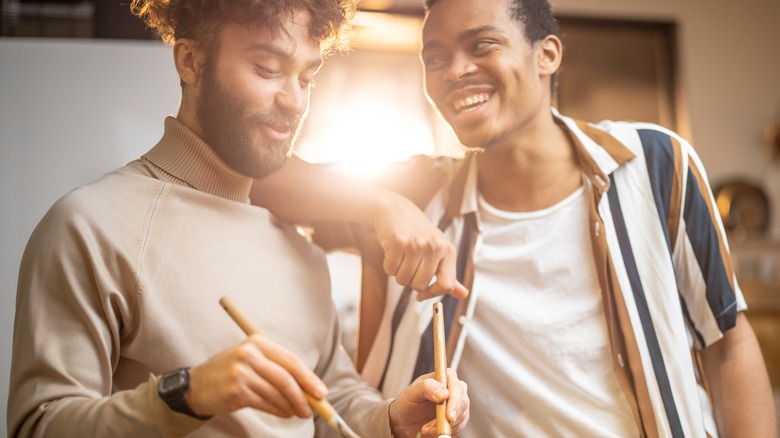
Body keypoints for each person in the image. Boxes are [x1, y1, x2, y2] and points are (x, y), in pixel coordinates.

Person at [252, 0, 778, 436]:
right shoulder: (418, 192)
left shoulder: (657, 164)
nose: (455, 71)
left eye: (482, 45)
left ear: (547, 54)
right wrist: (379, 204)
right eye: (434, 58)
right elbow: (260, 177)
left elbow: (727, 344)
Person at [6, 1, 471, 437]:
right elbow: (38, 425)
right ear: (190, 62)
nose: (295, 101)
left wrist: (390, 419)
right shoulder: (90, 225)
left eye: (307, 77)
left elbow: (333, 400)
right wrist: (188, 393)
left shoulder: (299, 246)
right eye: (268, 69)